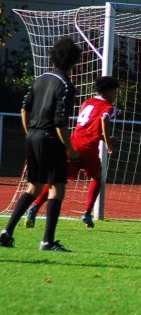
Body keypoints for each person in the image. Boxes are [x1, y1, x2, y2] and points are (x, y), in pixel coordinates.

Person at [0, 36, 82, 251]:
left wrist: (30, 133)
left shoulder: (40, 79)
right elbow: (60, 123)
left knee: (33, 187)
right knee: (57, 189)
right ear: (74, 61)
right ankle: (47, 241)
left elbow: (24, 109)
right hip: (51, 139)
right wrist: (71, 150)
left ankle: (7, 232)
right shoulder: (65, 84)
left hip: (33, 137)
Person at [24, 76, 118, 229]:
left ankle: (34, 207)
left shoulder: (87, 102)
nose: (115, 95)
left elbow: (88, 127)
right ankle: (87, 213)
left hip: (73, 144)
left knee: (57, 181)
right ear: (108, 91)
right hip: (88, 148)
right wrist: (108, 142)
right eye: (115, 91)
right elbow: (105, 119)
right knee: (98, 178)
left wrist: (102, 137)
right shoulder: (108, 106)